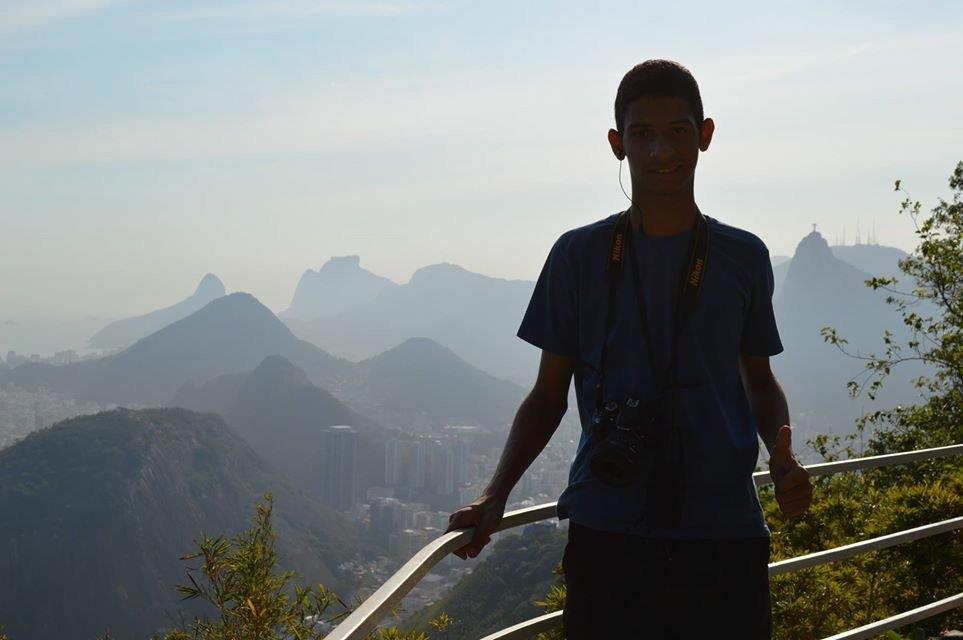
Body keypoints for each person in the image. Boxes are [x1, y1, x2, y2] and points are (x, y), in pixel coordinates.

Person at [444, 59, 813, 638]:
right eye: (642, 134)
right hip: (608, 530)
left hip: (724, 531)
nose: (661, 151)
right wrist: (496, 495)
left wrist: (782, 456)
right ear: (618, 144)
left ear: (705, 135)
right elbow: (547, 396)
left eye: (678, 132)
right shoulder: (578, 256)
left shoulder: (743, 256)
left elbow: (758, 379)